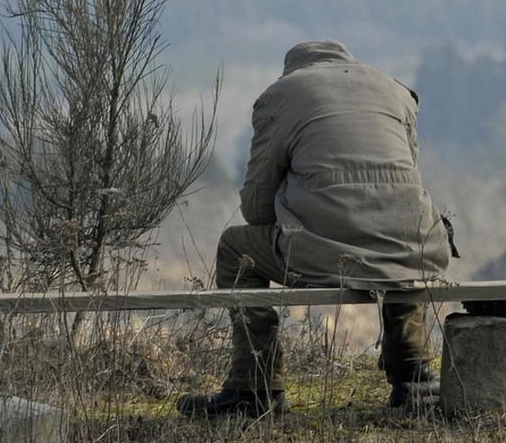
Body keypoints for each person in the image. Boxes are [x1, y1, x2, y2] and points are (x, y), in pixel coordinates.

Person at [177, 40, 455, 417]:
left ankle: (254, 387)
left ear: (292, 70)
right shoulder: (396, 91)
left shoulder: (281, 96)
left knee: (234, 248)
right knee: (401, 238)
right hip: (418, 244)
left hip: (324, 252)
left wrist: (297, 202)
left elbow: (256, 209)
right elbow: (402, 185)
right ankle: (415, 378)